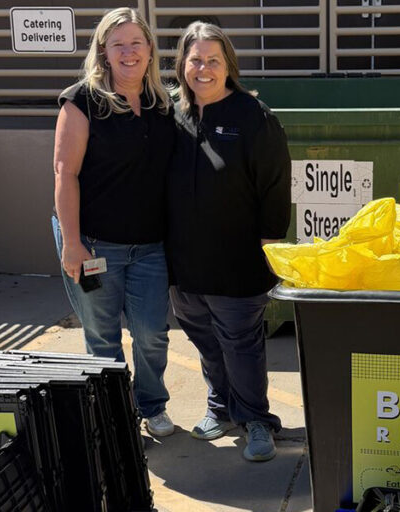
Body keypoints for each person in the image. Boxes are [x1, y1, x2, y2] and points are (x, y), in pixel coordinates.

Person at [167, 21, 291, 462]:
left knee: (241, 344)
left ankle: (257, 420)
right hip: (185, 265)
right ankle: (220, 407)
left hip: (239, 263)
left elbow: (275, 188)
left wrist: (269, 249)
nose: (203, 68)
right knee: (205, 340)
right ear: (183, 65)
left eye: (212, 60)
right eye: (195, 59)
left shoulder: (254, 118)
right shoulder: (174, 115)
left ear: (228, 65)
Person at [52, 7, 176, 437]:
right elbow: (65, 174)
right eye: (118, 44)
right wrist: (71, 243)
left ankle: (152, 403)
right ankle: (113, 413)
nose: (128, 52)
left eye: (135, 43)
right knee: (102, 337)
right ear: (103, 50)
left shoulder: (164, 104)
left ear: (149, 50)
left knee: (151, 334)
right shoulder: (82, 100)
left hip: (150, 249)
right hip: (92, 246)